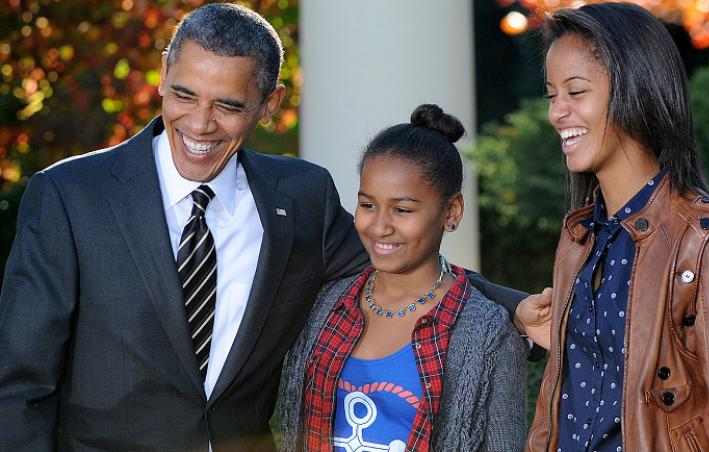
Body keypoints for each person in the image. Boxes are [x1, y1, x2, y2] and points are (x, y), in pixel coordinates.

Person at [0, 4, 545, 451]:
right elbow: (20, 386)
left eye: (228, 105)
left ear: (269, 104)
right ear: (165, 73)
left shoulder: (300, 197)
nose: (199, 124)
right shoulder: (69, 196)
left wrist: (512, 307)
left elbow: (402, 264)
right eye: (184, 94)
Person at [526, 3, 709, 451]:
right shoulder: (580, 238)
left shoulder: (708, 238)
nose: (556, 113)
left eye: (576, 92)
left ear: (634, 91)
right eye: (551, 95)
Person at [280, 104, 544, 452]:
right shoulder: (325, 305)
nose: (379, 226)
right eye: (367, 204)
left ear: (451, 212)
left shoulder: (488, 333)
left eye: (402, 210)